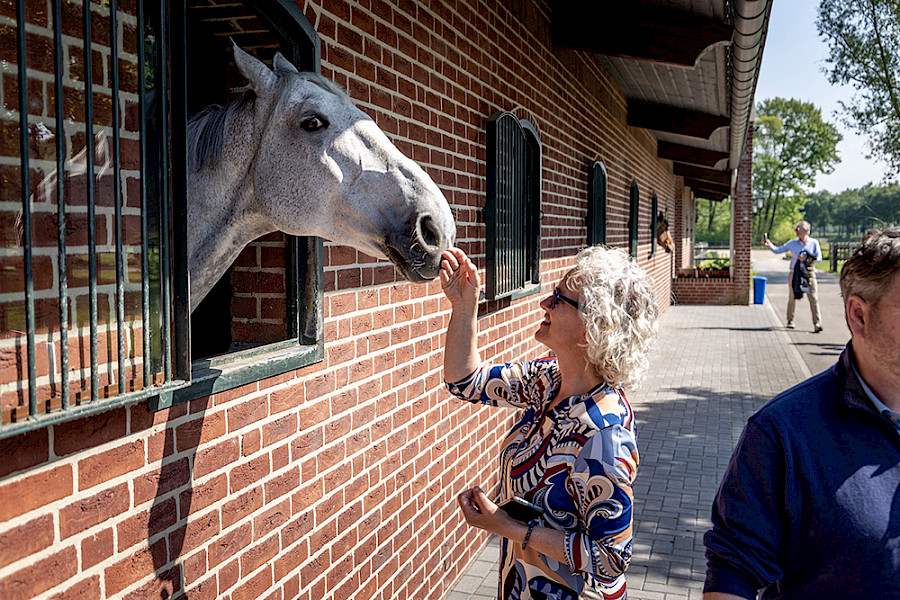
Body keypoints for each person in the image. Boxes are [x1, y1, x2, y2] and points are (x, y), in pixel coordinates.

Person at [440, 245, 659, 600]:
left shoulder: (605, 433)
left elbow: (611, 558)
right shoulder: (546, 381)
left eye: (559, 298)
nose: (545, 303)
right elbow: (465, 380)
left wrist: (508, 527)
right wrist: (465, 306)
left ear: (594, 328)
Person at [703, 227, 900, 600]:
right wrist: (775, 249)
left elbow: (819, 258)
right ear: (858, 316)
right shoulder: (782, 432)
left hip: (807, 273)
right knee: (799, 302)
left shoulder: (810, 245)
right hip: (798, 278)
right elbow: (734, 572)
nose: (801, 232)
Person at [762, 221, 823, 332]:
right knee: (792, 297)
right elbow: (778, 250)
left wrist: (807, 258)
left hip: (809, 273)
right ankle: (790, 320)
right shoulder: (792, 243)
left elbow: (819, 258)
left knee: (813, 298)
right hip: (795, 274)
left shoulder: (814, 243)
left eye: (797, 229)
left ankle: (817, 323)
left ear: (805, 231)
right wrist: (769, 245)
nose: (795, 231)